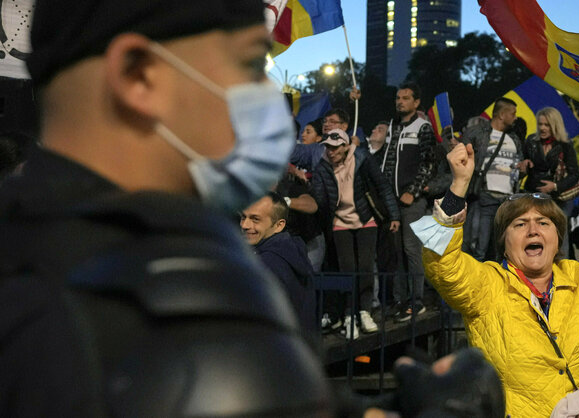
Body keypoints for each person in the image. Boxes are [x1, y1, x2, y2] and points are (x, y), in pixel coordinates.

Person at [0, 1, 332, 415]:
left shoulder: (36, 249)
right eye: (248, 64)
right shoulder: (171, 327)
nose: (267, 95)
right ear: (139, 75)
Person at [411, 142, 579, 417]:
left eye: (544, 223)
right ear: (503, 242)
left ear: (557, 240)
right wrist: (459, 185)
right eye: (520, 224)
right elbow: (442, 263)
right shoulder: (487, 285)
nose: (533, 230)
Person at [312, 129, 401, 338]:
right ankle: (349, 314)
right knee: (347, 269)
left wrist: (394, 215)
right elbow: (319, 199)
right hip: (339, 221)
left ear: (344, 147)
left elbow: (383, 187)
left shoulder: (362, 158)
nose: (330, 152)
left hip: (365, 218)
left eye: (334, 148)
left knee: (366, 266)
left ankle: (364, 311)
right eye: (327, 147)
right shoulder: (322, 166)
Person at [380, 82, 436, 322]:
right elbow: (388, 161)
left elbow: (428, 163)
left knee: (411, 248)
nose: (399, 101)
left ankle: (418, 300)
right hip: (392, 200)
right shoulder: (392, 126)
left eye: (405, 98)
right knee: (396, 252)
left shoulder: (423, 127)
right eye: (397, 97)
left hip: (412, 200)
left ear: (416, 102)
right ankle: (399, 299)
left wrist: (413, 192)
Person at [241, 193, 317, 332]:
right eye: (243, 217)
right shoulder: (291, 250)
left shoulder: (268, 264)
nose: (245, 225)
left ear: (278, 225)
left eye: (255, 219)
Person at [462, 97, 525, 262]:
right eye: (513, 113)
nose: (515, 117)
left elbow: (517, 168)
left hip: (507, 201)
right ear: (502, 115)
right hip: (485, 196)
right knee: (478, 247)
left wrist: (523, 169)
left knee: (501, 250)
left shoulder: (514, 139)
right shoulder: (478, 133)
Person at [519, 106, 579, 257]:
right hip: (533, 194)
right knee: (533, 235)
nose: (542, 128)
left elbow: (574, 174)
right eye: (540, 124)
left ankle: (563, 272)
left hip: (556, 199)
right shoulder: (531, 141)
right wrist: (524, 165)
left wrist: (555, 186)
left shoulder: (565, 145)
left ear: (554, 125)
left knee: (560, 238)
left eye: (546, 125)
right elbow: (522, 164)